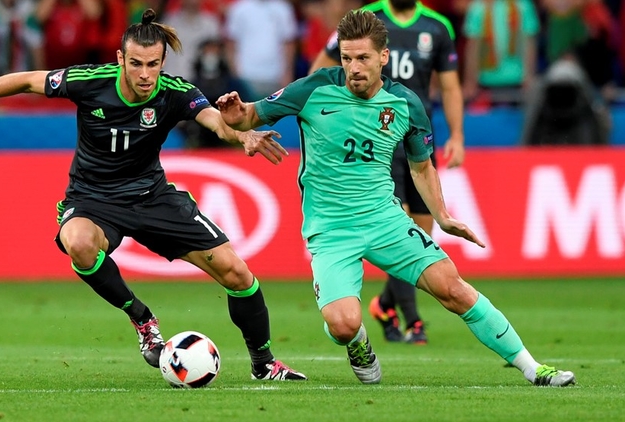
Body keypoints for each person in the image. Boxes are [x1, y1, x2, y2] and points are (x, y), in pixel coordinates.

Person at [0, 8, 306, 382]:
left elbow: (216, 123)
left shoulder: (175, 92)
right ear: (121, 58)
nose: (145, 74)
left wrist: (243, 134)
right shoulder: (91, 81)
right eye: (136, 63)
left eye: (153, 64)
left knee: (237, 274)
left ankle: (264, 364)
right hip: (93, 199)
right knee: (78, 244)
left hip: (152, 196)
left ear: (163, 62)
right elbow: (28, 80)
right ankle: (143, 319)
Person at [217, 9, 575, 387]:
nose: (354, 68)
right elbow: (247, 118)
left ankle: (534, 368)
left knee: (453, 289)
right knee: (343, 324)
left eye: (363, 58)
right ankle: (357, 342)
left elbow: (422, 167)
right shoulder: (313, 89)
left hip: (385, 220)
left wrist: (442, 216)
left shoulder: (405, 104)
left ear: (383, 57)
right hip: (331, 229)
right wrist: (235, 113)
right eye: (347, 58)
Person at [308, 0, 465, 345]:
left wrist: (456, 135)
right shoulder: (366, 22)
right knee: (401, 219)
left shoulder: (437, 27)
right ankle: (414, 322)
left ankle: (385, 304)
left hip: (416, 140)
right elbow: (318, 73)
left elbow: (450, 86)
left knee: (419, 235)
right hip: (374, 142)